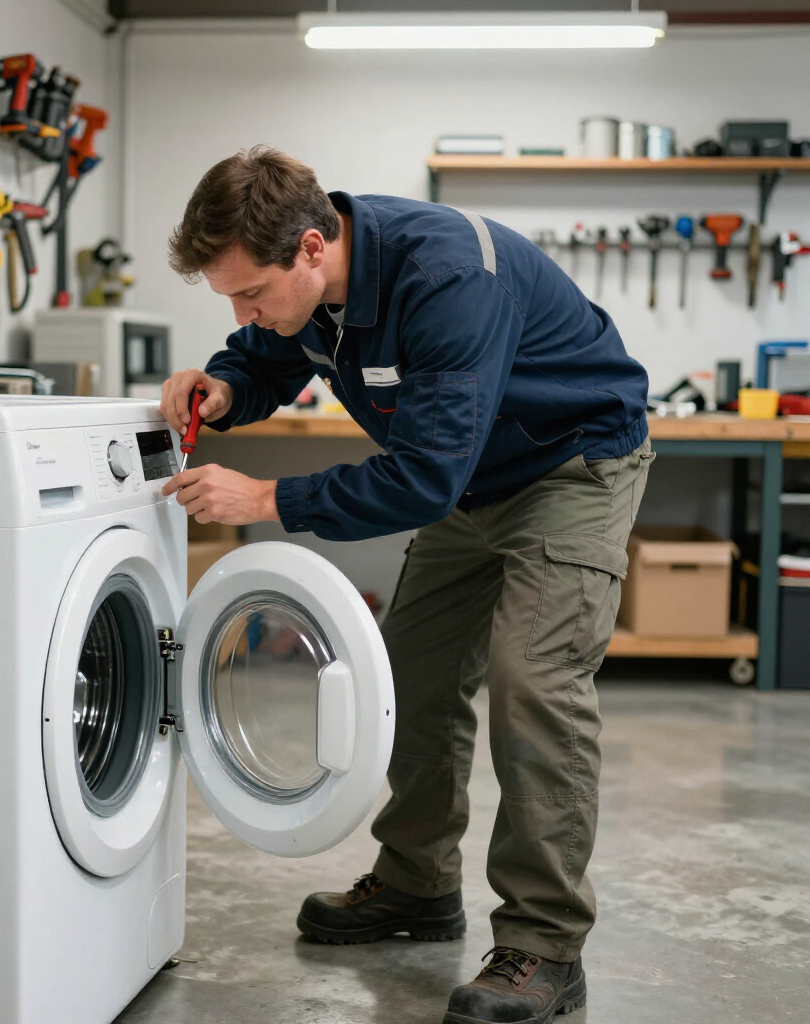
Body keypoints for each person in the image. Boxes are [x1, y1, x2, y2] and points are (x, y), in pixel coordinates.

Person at [159, 146, 652, 1024]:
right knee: (412, 676)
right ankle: (418, 884)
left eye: (251, 292)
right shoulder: (312, 284)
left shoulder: (447, 280)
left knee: (533, 683)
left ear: (313, 247)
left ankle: (545, 944)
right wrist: (226, 387)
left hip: (570, 467)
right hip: (471, 479)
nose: (243, 312)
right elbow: (270, 352)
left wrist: (268, 499)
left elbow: (422, 478)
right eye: (229, 298)